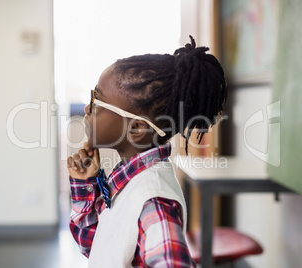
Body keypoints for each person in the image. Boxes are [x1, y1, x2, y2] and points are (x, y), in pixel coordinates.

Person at [67, 36, 227, 267]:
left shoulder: (153, 202)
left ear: (136, 128)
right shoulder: (126, 179)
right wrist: (85, 185)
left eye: (97, 101)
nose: (87, 108)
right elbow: (97, 247)